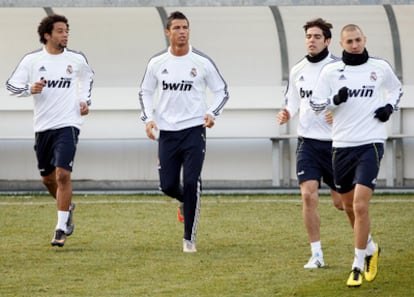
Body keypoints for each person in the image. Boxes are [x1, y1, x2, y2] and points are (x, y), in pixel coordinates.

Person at [310, 24, 402, 287]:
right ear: (341, 44)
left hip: (371, 143)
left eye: (358, 40)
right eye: (349, 41)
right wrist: (334, 101)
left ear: (365, 39)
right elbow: (316, 105)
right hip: (341, 146)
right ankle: (371, 247)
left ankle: (357, 265)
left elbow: (397, 90)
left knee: (361, 205)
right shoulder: (331, 72)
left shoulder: (379, 67)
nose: (354, 45)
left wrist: (388, 107)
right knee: (346, 206)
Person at [139, 11, 229, 253]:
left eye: (185, 27)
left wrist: (212, 113)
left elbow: (221, 91)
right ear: (168, 32)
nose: (182, 32)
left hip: (194, 131)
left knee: (191, 182)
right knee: (167, 185)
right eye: (177, 28)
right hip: (167, 132)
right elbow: (145, 92)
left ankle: (189, 238)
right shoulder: (157, 63)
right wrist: (148, 119)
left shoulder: (201, 62)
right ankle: (184, 201)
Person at [6, 14, 94, 247]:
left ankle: (60, 228)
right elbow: (11, 85)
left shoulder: (76, 59)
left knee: (63, 174)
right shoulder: (32, 60)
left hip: (69, 124)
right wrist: (29, 88)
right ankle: (67, 207)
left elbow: (87, 77)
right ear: (47, 35)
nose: (65, 35)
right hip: (43, 127)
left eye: (67, 31)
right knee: (47, 178)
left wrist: (85, 101)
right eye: (60, 31)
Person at [277, 18, 344, 269]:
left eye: (317, 37)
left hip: (337, 143)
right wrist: (285, 113)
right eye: (308, 36)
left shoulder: (340, 67)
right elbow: (293, 101)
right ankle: (316, 255)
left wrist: (335, 109)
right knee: (308, 195)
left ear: (327, 41)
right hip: (308, 143)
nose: (311, 41)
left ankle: (366, 245)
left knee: (342, 203)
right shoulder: (298, 70)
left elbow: (351, 99)